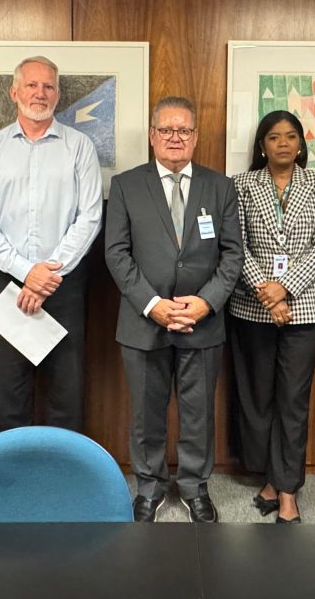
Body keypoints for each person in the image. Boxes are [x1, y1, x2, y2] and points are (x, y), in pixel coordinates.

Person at [104, 96, 243, 523]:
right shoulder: (127, 185)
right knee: (146, 413)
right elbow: (116, 253)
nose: (175, 138)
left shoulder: (219, 186)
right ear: (152, 136)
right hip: (144, 321)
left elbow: (232, 254)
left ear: (196, 136)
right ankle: (149, 485)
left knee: (199, 412)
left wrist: (205, 302)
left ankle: (194, 486)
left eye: (184, 130)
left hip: (202, 320)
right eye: (166, 130)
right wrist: (153, 304)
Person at [0, 56, 102, 431]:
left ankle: (64, 479)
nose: (39, 93)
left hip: (65, 284)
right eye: (31, 85)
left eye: (48, 87)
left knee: (67, 393)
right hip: (7, 284)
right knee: (10, 392)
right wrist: (28, 272)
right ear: (14, 92)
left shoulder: (79, 147)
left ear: (58, 95)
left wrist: (48, 274)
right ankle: (14, 480)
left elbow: (89, 217)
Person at [229, 111, 315, 524]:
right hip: (251, 307)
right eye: (273, 137)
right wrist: (268, 294)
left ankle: (288, 490)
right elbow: (234, 245)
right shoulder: (241, 186)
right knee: (257, 400)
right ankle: (271, 476)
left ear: (301, 143)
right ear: (262, 144)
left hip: (305, 307)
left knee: (293, 401)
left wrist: (286, 287)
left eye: (291, 136)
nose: (283, 144)